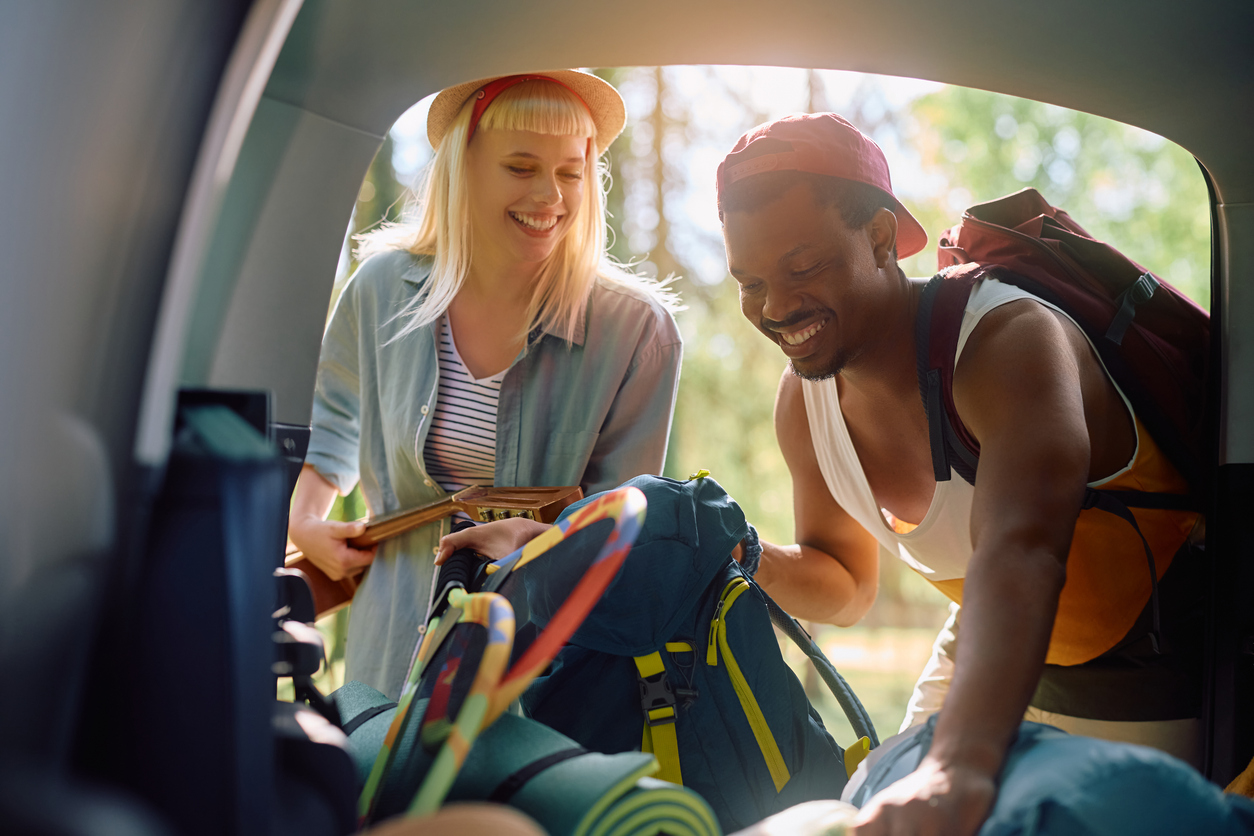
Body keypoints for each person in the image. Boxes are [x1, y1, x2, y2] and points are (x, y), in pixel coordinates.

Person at [714, 113, 1203, 835]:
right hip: (988, 632)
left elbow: (1023, 550)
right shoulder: (805, 400)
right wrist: (732, 555)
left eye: (802, 266)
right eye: (750, 282)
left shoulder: (1007, 341)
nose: (775, 307)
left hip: (1140, 650)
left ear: (880, 238)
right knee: (865, 816)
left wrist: (956, 766)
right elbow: (844, 585)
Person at [287, 71, 683, 700]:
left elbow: (622, 526)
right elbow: (333, 424)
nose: (549, 195)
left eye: (570, 172)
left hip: (540, 672)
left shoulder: (638, 332)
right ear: (461, 166)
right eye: (521, 167)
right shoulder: (380, 288)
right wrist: (305, 520)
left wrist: (537, 545)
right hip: (387, 649)